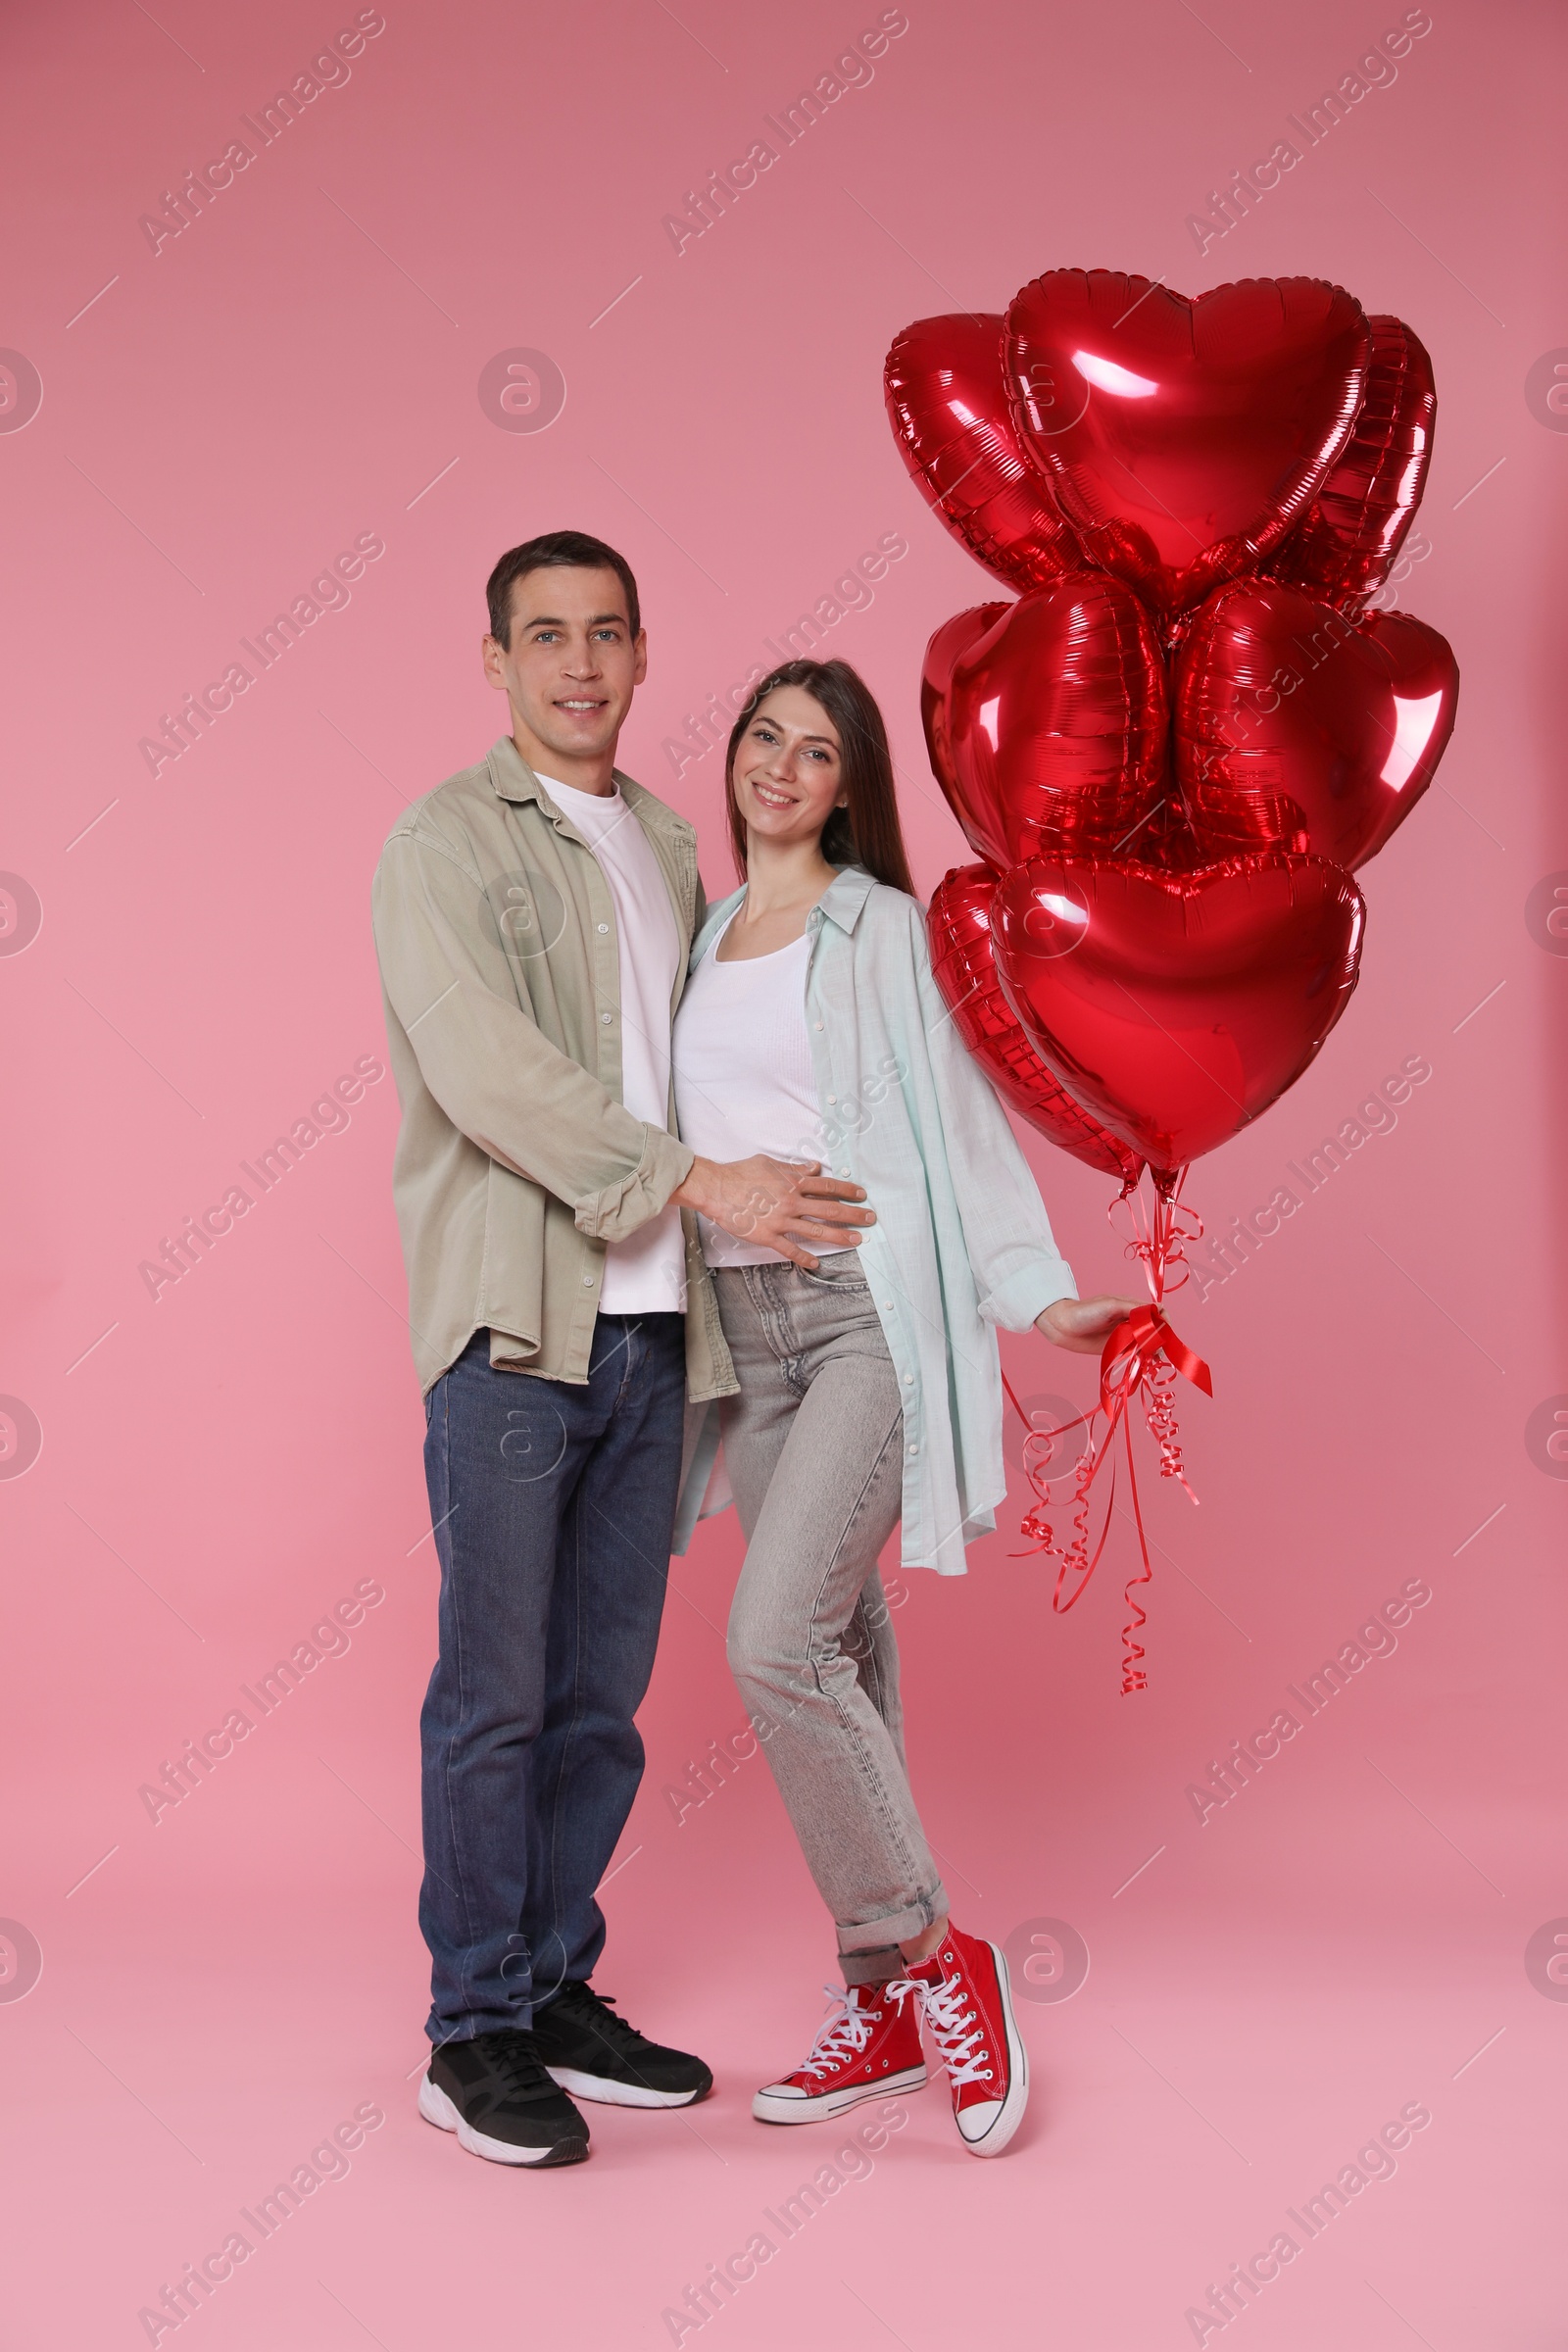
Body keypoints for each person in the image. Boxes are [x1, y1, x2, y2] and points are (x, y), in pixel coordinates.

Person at [370, 535, 874, 2169]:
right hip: (520, 1333)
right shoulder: (442, 844)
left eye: (606, 635)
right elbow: (485, 1072)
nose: (578, 663)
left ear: (645, 656)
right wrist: (689, 1179)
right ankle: (471, 2030)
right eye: (544, 637)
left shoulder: (674, 848)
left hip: (667, 1338)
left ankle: (554, 1984)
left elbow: (729, 1063)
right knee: (495, 1700)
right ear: (497, 662)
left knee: (599, 1703)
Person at [670, 658, 1141, 2158]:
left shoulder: (884, 933)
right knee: (846, 1654)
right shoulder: (701, 934)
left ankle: (943, 1959)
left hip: (862, 1319)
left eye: (817, 752)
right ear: (735, 755)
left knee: (776, 1640)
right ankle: (879, 2002)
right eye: (765, 738)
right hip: (744, 1338)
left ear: (850, 786)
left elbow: (958, 1124)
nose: (782, 768)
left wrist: (1036, 1290)